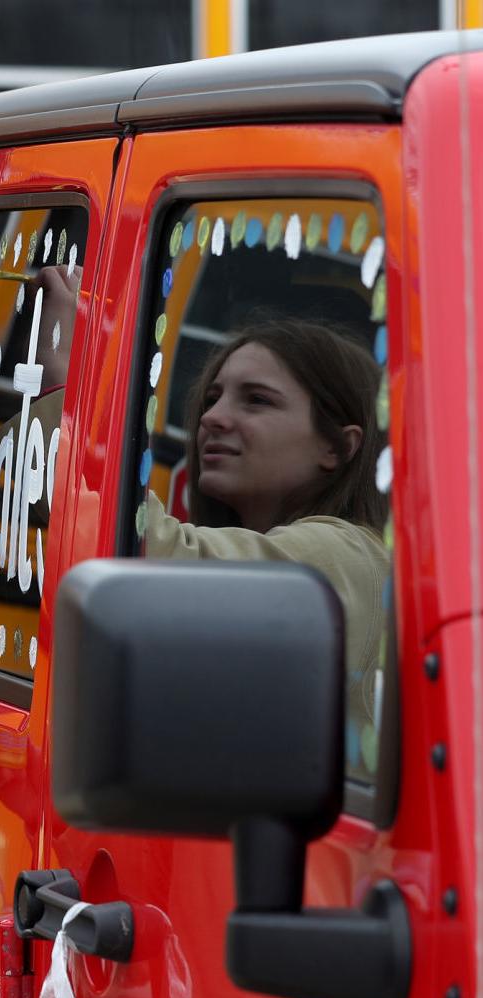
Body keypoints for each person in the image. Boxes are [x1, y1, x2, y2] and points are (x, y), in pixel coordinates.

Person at [141, 318, 388, 762]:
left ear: (338, 447)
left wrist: (71, 388)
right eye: (212, 399)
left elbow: (159, 565)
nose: (212, 418)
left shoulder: (345, 553)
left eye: (256, 401)